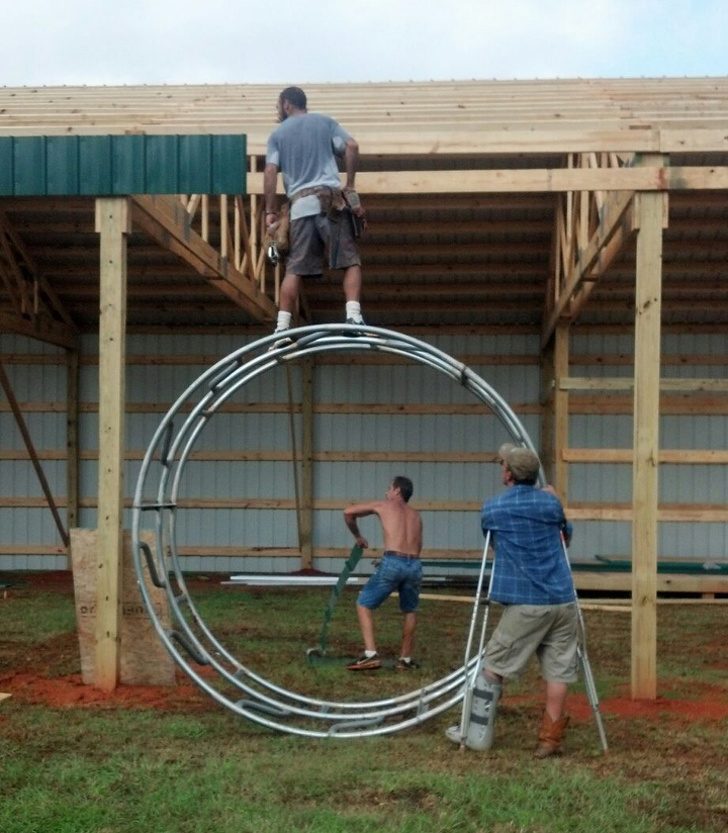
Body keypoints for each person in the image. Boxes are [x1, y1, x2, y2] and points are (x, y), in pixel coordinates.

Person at [447, 445, 577, 757]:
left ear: (508, 473)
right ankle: (550, 739)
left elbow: (491, 541)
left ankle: (477, 733)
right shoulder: (551, 504)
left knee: (493, 666)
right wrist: (555, 499)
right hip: (562, 599)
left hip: (526, 602)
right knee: (558, 670)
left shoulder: (494, 508)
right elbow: (566, 536)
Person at [263, 86, 366, 344]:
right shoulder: (325, 123)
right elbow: (351, 146)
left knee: (294, 268)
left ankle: (282, 329)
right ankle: (353, 316)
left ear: (287, 104)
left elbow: (270, 171)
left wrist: (270, 211)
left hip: (299, 208)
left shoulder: (277, 135)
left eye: (278, 106)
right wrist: (350, 184)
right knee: (350, 261)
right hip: (330, 203)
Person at [343, 476, 423, 671]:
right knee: (410, 610)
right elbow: (418, 546)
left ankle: (370, 654)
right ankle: (405, 659)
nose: (387, 492)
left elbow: (348, 512)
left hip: (393, 561)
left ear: (397, 490)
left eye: (389, 488)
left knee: (363, 603)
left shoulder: (384, 505)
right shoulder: (416, 515)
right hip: (414, 564)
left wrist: (358, 536)